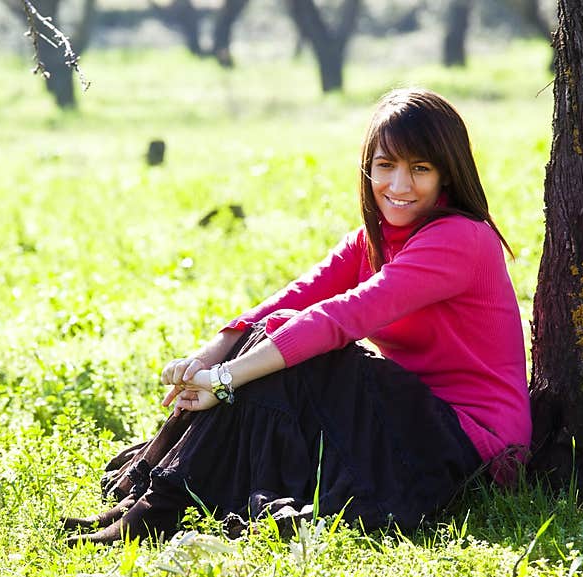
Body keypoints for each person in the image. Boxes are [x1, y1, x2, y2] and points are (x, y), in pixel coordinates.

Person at [61, 87, 533, 546]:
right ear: (367, 169)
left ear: (447, 174)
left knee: (288, 346)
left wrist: (225, 378)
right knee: (278, 332)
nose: (399, 186)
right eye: (385, 166)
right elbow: (301, 293)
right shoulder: (376, 238)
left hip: (475, 446)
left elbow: (343, 315)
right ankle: (153, 495)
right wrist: (209, 354)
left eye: (420, 169)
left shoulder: (459, 238)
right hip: (411, 414)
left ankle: (157, 505)